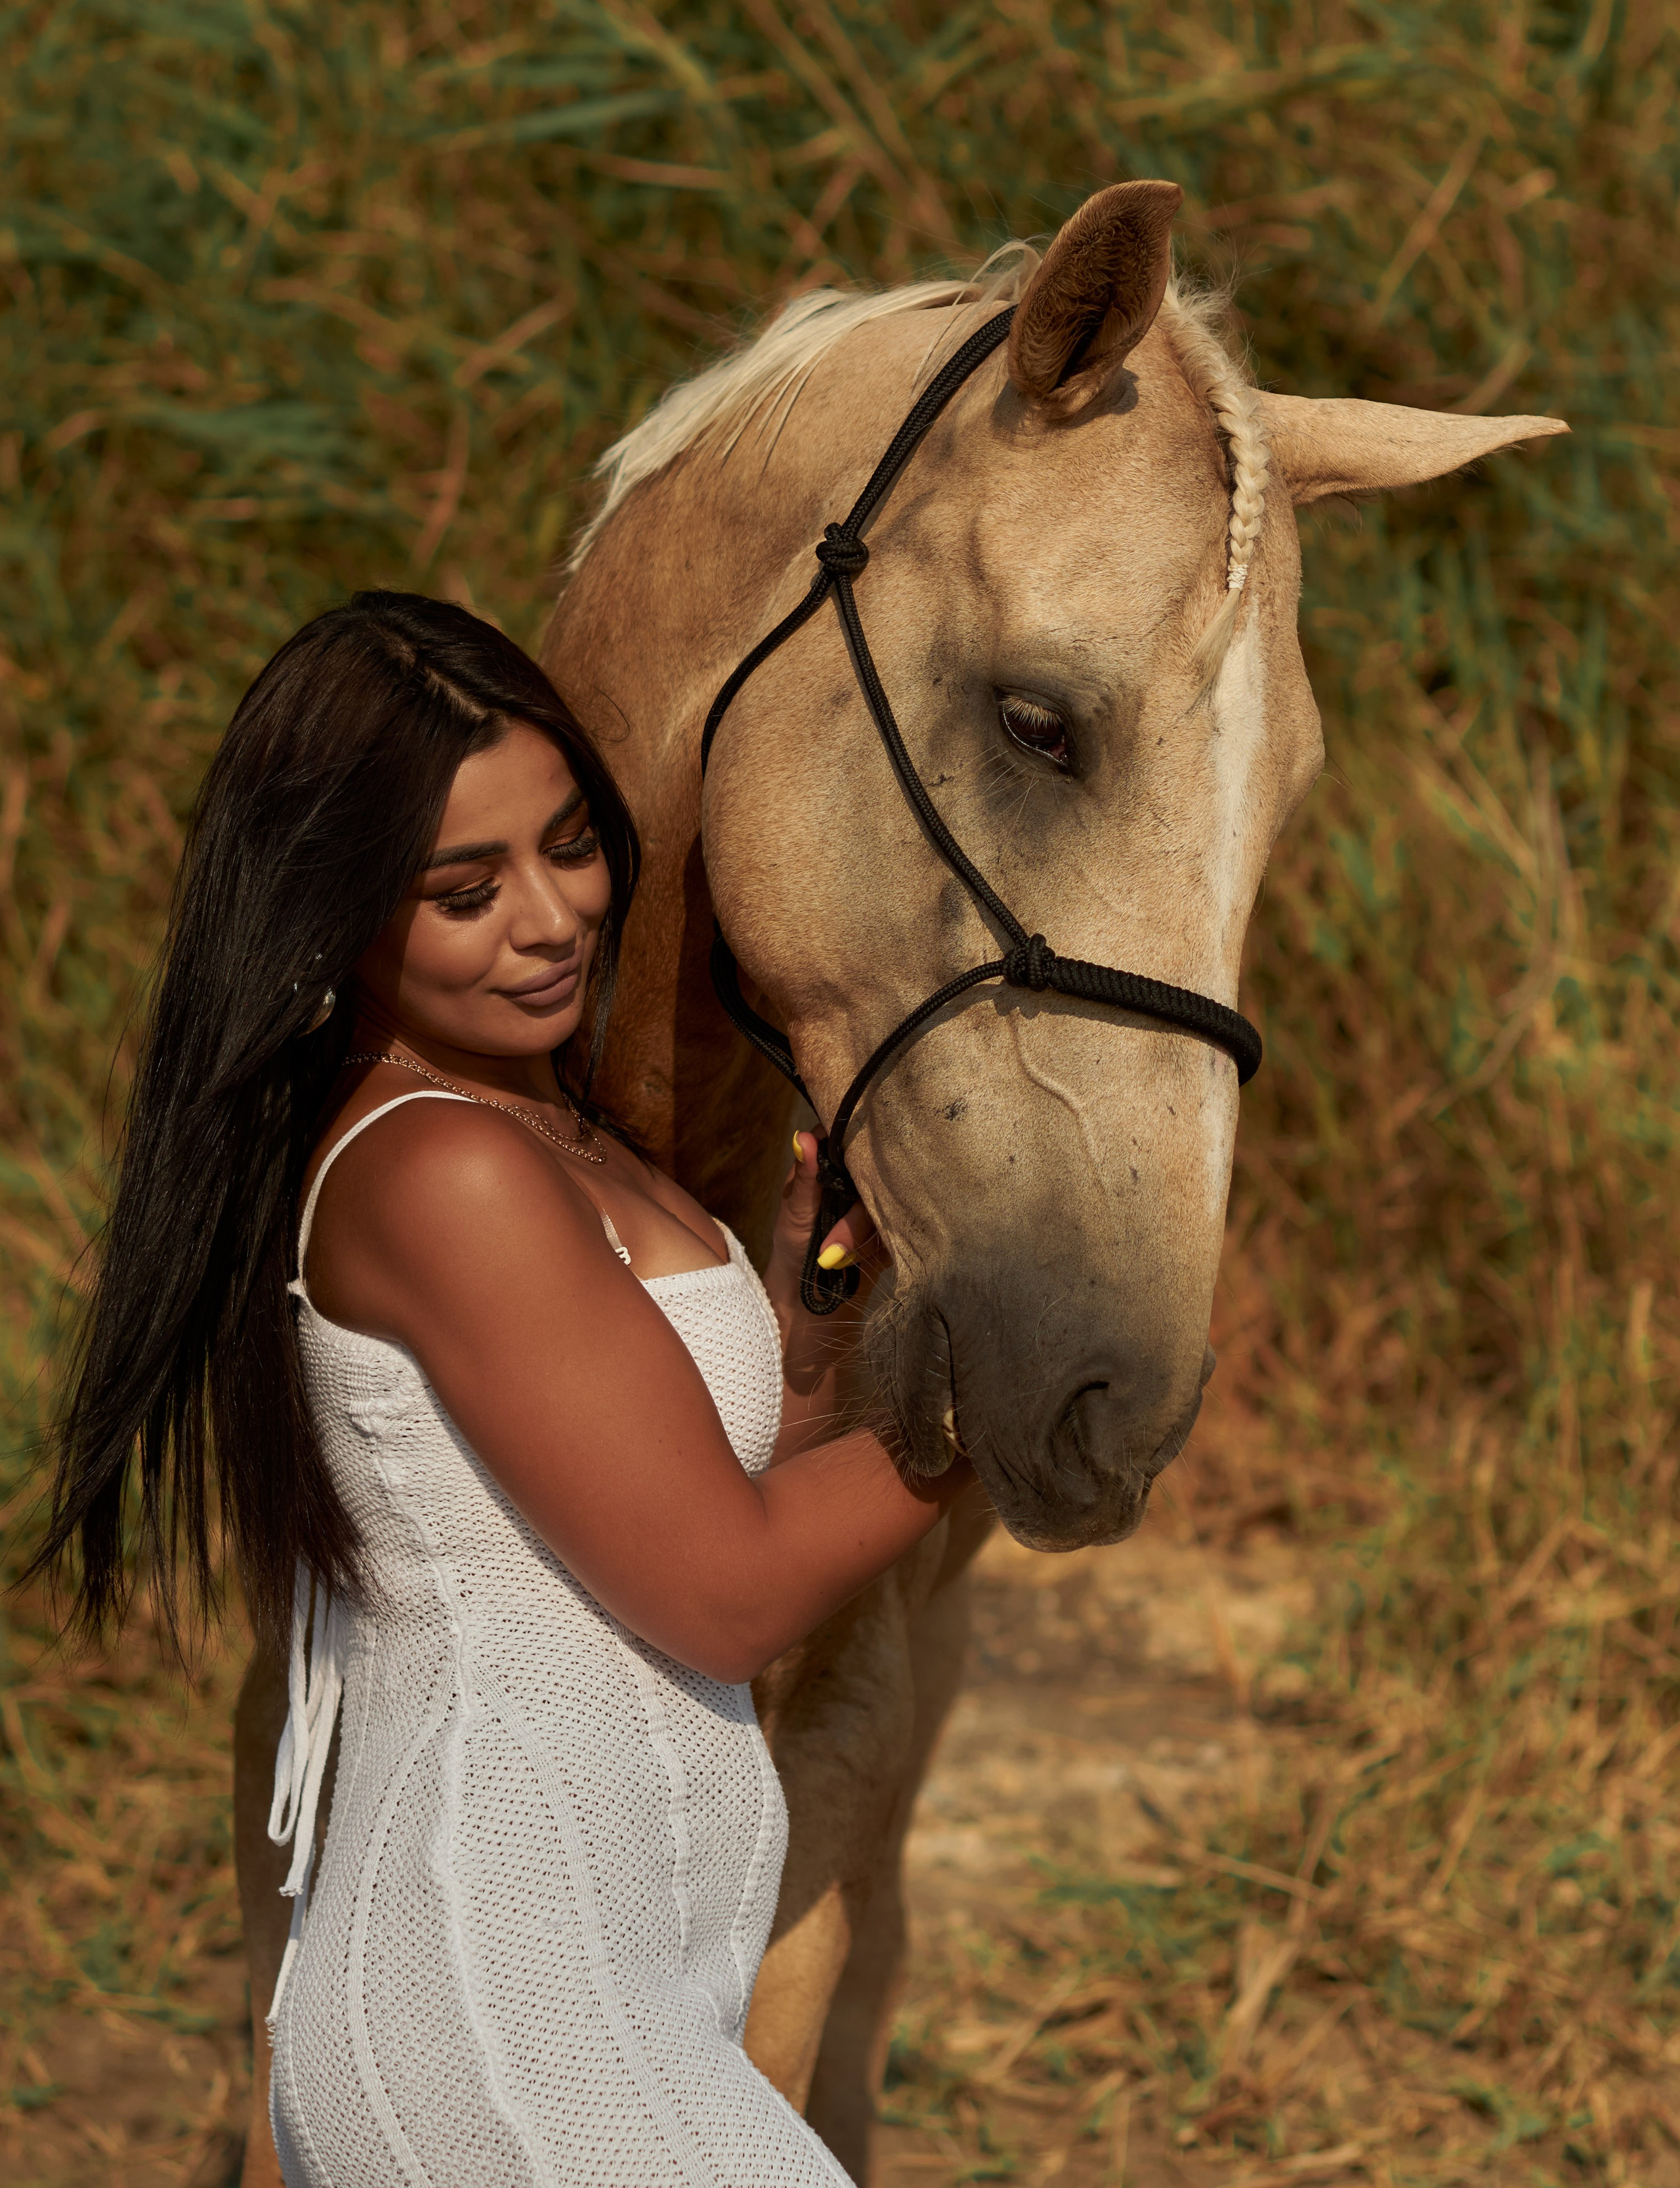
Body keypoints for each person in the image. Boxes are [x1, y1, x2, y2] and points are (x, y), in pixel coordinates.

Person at [35, 591, 972, 2185]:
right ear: (336, 914)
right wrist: (989, 1423)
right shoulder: (440, 1168)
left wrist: (808, 1343)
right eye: (464, 891)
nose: (550, 918)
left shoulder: (560, 1133)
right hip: (498, 2017)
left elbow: (712, 1517)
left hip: (617, 2003)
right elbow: (727, 1594)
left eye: (571, 843)